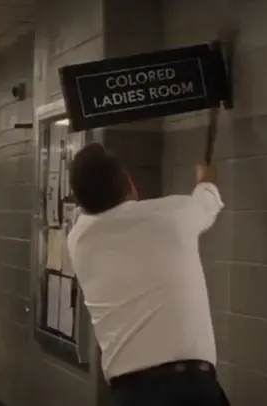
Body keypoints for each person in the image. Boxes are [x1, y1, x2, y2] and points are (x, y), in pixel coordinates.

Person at [65, 143, 229, 406]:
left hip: (130, 395)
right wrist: (206, 181)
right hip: (193, 390)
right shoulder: (170, 216)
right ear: (130, 182)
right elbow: (206, 203)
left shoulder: (78, 241)